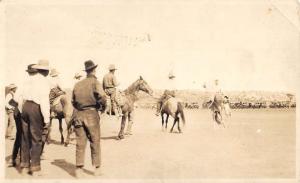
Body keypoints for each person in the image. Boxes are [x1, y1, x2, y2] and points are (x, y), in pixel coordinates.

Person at [72, 60, 106, 178]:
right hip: (91, 114)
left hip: (79, 114)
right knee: (95, 140)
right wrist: (102, 107)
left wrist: (79, 108)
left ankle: (79, 169)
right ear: (94, 70)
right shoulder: (95, 82)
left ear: (86, 71)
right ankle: (97, 168)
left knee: (80, 142)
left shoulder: (77, 84)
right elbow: (102, 96)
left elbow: (73, 101)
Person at [19, 60, 51, 176]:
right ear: (46, 71)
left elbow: (19, 96)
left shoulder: (28, 79)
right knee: (36, 139)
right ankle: (35, 168)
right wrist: (47, 120)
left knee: (25, 137)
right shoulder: (44, 81)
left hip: (25, 106)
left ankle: (24, 166)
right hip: (35, 108)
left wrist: (21, 110)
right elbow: (44, 102)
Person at [10, 64, 38, 167]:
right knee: (27, 135)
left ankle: (16, 158)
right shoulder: (36, 85)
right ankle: (23, 159)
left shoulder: (23, 84)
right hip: (29, 114)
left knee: (21, 135)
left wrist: (18, 107)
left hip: (21, 113)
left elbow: (14, 101)